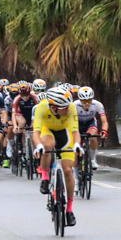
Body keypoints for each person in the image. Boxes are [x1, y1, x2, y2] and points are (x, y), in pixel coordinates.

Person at [33, 86, 80, 227]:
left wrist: (77, 145)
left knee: (67, 170)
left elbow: (75, 131)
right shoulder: (41, 107)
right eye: (63, 108)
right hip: (47, 131)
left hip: (65, 133)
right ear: (53, 107)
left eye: (67, 107)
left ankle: (70, 209)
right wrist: (38, 146)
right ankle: (45, 177)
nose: (67, 109)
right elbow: (36, 131)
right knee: (48, 145)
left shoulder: (71, 107)